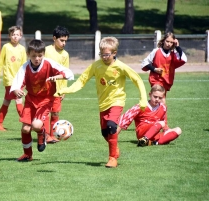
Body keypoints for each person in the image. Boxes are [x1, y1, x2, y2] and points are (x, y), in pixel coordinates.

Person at [57, 36, 148, 168]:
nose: (104, 57)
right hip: (103, 103)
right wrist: (67, 90)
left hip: (117, 100)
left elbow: (138, 80)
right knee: (105, 132)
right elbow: (82, 80)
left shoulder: (121, 67)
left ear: (114, 53)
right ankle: (114, 147)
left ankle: (112, 158)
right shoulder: (96, 66)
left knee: (112, 126)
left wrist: (143, 99)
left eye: (106, 55)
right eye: (101, 54)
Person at [10, 39, 74, 162]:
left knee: (36, 125)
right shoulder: (25, 67)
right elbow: (16, 83)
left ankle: (42, 133)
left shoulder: (49, 64)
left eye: (40, 55)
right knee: (25, 129)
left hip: (46, 100)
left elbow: (68, 73)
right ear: (28, 55)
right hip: (30, 100)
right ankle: (27, 155)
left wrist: (58, 76)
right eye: (34, 56)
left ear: (44, 54)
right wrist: (16, 90)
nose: (37, 58)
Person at [117, 84, 182, 146]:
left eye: (160, 98)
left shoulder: (163, 108)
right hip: (142, 133)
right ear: (150, 94)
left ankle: (152, 143)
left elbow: (164, 124)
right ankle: (144, 139)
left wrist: (167, 132)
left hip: (154, 133)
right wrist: (114, 136)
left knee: (178, 130)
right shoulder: (141, 106)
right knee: (162, 123)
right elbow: (125, 119)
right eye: (155, 97)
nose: (157, 99)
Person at [0, 26, 27, 131]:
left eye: (17, 34)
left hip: (19, 80)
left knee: (7, 101)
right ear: (9, 36)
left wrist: (26, 79)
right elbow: (0, 62)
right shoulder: (6, 47)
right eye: (13, 35)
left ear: (20, 36)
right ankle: (27, 123)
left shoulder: (22, 49)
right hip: (9, 79)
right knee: (18, 100)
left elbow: (25, 65)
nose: (15, 37)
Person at [141, 32, 187, 104]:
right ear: (163, 41)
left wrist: (177, 47)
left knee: (157, 103)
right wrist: (154, 69)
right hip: (156, 80)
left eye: (171, 42)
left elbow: (184, 59)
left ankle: (150, 113)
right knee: (161, 101)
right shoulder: (156, 51)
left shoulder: (173, 53)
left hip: (166, 81)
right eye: (167, 41)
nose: (169, 44)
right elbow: (144, 63)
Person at [44, 25, 70, 143]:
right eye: (61, 40)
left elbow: (65, 72)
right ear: (54, 38)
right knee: (46, 112)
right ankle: (45, 136)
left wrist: (64, 89)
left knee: (55, 112)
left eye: (65, 41)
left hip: (58, 89)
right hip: (46, 88)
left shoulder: (65, 55)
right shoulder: (46, 51)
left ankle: (53, 135)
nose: (64, 43)